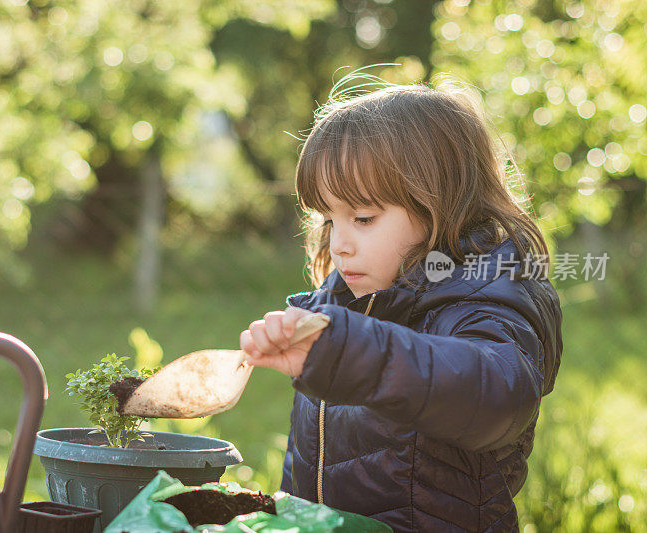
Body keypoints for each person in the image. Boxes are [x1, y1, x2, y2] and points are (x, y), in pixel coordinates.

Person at [239, 76, 563, 532]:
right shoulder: (346, 309)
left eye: (364, 218)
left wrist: (356, 353)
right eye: (329, 219)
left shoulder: (482, 298)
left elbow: (498, 396)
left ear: (440, 205)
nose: (339, 244)